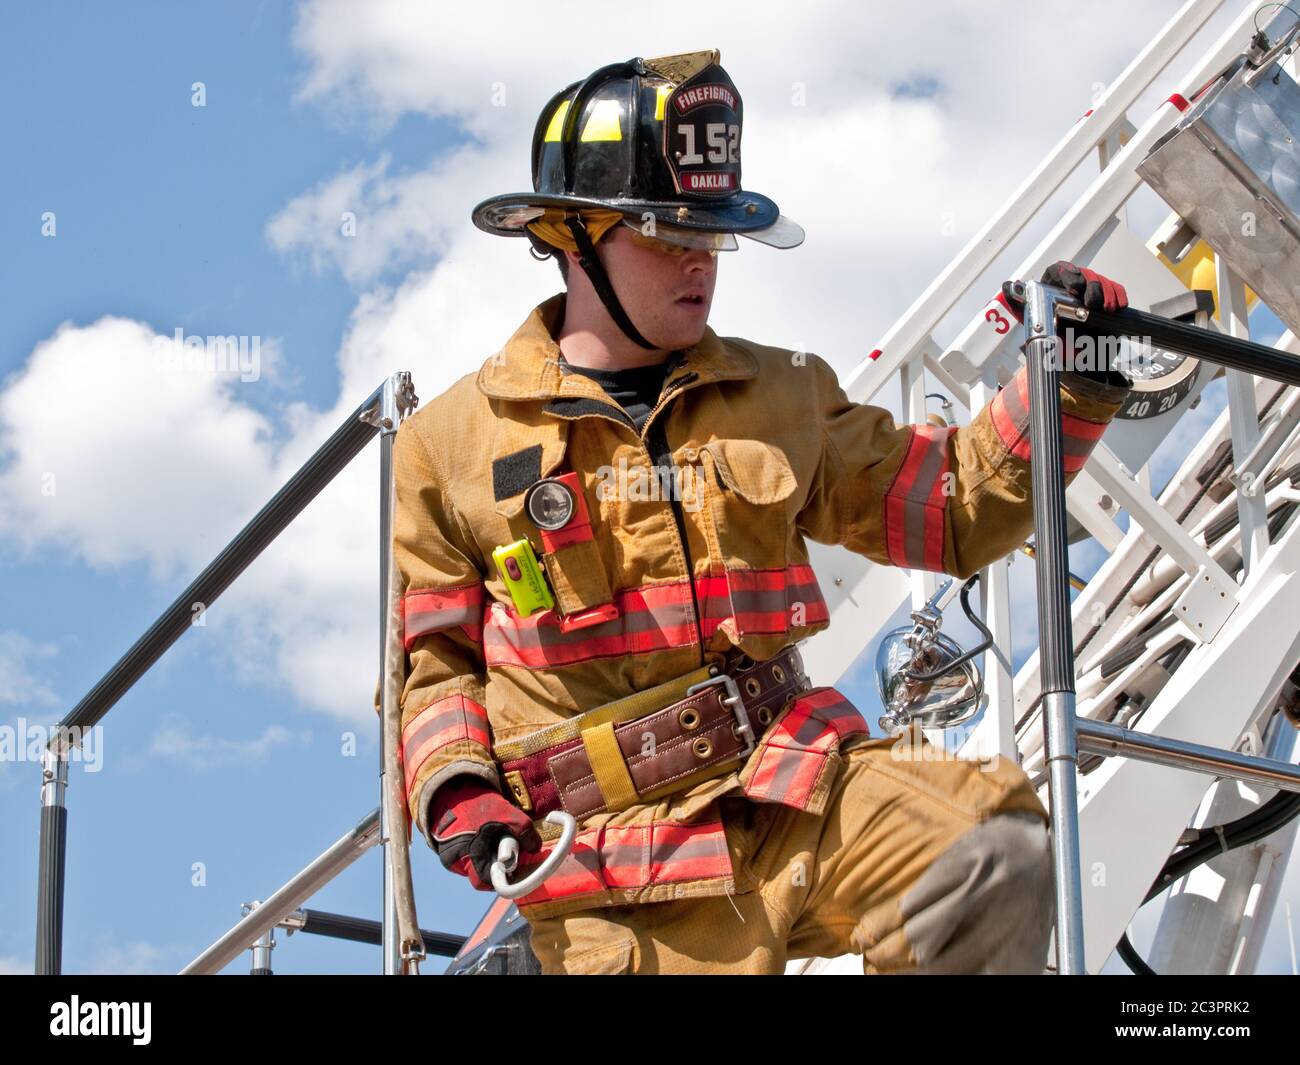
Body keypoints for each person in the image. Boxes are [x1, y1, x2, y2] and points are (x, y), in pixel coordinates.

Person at [389, 49, 1132, 974]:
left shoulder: (782, 392)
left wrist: (1067, 384)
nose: (700, 259)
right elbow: (434, 667)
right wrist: (462, 794)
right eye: (668, 233)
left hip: (797, 790)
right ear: (573, 234)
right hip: (612, 869)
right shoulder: (445, 447)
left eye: (713, 235)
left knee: (990, 845)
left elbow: (948, 510)